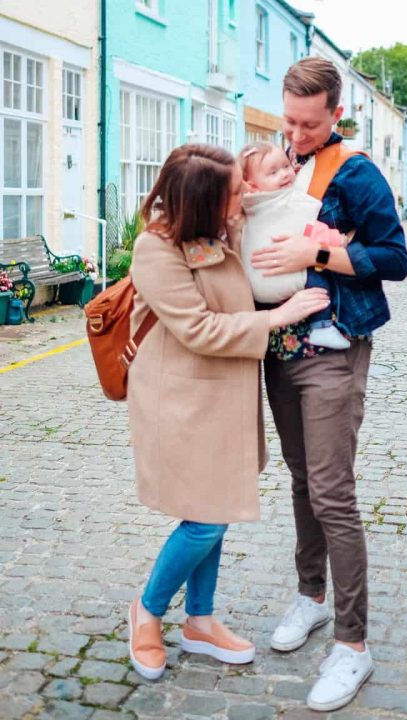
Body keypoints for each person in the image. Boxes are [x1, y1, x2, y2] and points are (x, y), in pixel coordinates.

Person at [125, 144, 330, 681]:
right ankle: (147, 611)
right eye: (235, 192)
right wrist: (280, 317)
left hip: (224, 395)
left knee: (213, 510)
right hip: (183, 401)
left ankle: (200, 620)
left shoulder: (220, 229)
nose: (244, 197)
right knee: (205, 518)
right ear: (200, 200)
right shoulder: (156, 249)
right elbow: (199, 328)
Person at [251, 58, 407, 712]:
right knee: (300, 480)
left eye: (309, 123)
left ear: (335, 115)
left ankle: (352, 646)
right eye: (289, 120)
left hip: (333, 350)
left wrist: (313, 255)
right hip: (278, 351)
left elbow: (395, 258)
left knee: (333, 492)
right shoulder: (279, 161)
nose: (297, 133)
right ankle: (311, 598)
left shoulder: (357, 171)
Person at [237, 141, 350, 350]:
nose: (285, 174)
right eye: (273, 172)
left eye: (286, 166)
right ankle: (322, 326)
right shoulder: (281, 205)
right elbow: (308, 229)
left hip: (256, 289)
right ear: (251, 185)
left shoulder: (248, 205)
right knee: (321, 275)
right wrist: (338, 240)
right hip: (280, 282)